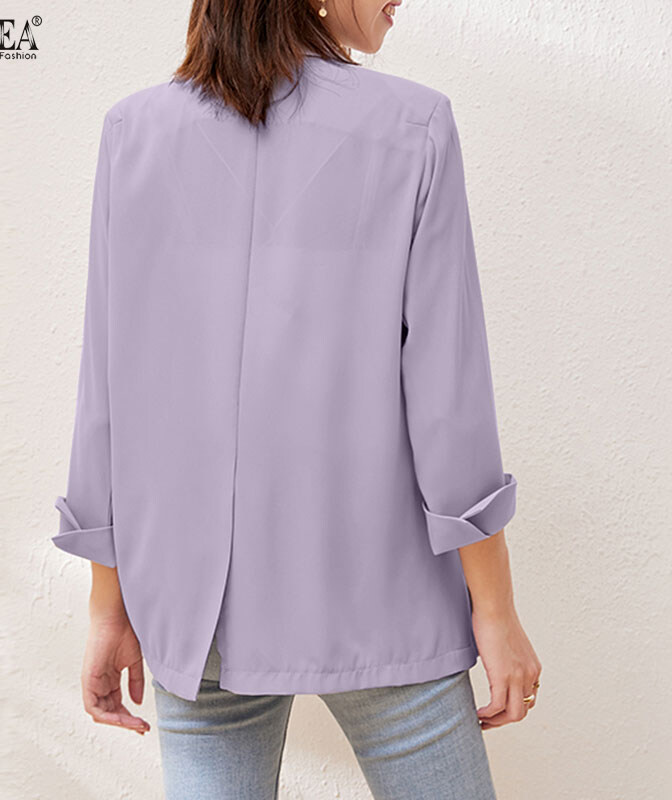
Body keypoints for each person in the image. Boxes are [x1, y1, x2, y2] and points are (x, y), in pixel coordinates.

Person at [50, 0, 542, 797]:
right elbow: (448, 402)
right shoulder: (414, 126)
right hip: (378, 596)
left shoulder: (133, 133)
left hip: (193, 605)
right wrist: (495, 608)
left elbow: (110, 391)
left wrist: (109, 607)